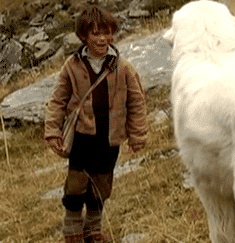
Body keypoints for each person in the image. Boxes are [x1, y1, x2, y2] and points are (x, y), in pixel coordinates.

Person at [44, 4, 147, 243]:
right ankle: (72, 232)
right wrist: (52, 131)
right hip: (81, 138)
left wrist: (138, 134)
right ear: (83, 36)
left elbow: (137, 102)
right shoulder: (72, 65)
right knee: (75, 187)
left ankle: (94, 231)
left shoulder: (122, 67)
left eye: (107, 33)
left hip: (109, 140)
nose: (103, 39)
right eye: (96, 34)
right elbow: (58, 100)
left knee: (101, 187)